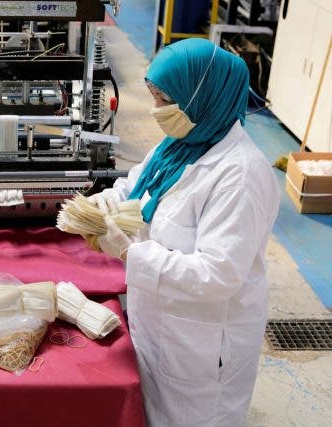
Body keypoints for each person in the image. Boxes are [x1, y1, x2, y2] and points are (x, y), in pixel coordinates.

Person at [90, 38, 280, 426]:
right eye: (154, 96)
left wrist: (128, 253)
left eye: (165, 99)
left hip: (201, 351)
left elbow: (217, 275)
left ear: (201, 97)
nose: (156, 109)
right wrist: (103, 204)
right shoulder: (179, 145)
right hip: (159, 328)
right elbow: (137, 186)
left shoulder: (239, 177)